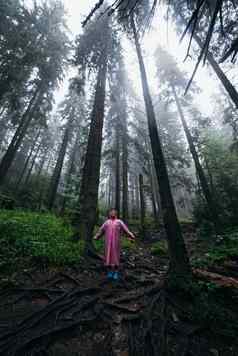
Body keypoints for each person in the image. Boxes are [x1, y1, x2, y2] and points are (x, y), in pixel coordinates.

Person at [93, 209, 135, 280]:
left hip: (116, 243)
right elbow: (101, 230)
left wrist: (131, 235)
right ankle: (109, 271)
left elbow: (126, 230)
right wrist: (97, 236)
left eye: (113, 212)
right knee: (107, 257)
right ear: (109, 214)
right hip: (108, 243)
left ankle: (115, 272)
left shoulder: (119, 222)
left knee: (116, 257)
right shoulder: (106, 222)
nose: (112, 213)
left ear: (116, 213)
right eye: (110, 212)